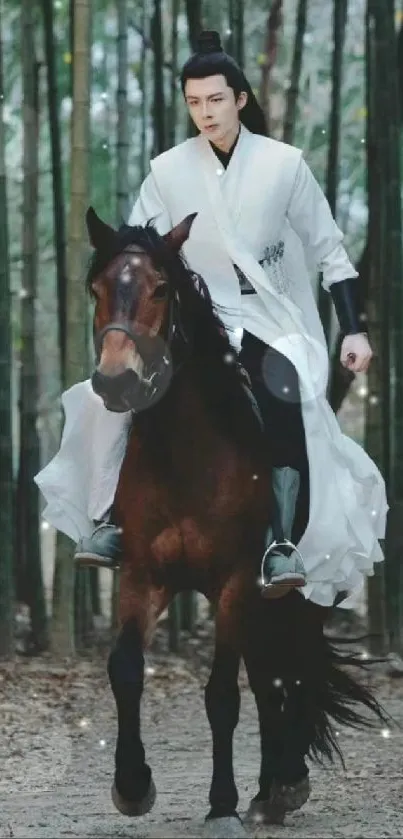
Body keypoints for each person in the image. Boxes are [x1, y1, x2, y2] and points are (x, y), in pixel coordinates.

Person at [35, 30, 387, 606]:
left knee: (285, 388)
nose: (205, 113)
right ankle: (109, 519)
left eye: (216, 100)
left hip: (270, 315)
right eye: (194, 102)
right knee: (110, 395)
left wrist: (353, 327)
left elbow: (331, 253)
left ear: (239, 99)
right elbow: (139, 245)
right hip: (192, 317)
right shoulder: (168, 171)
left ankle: (281, 541)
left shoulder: (284, 166)